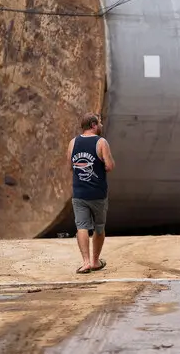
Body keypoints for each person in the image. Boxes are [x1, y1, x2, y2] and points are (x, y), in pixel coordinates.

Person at [67, 112, 115, 274]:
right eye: (99, 123)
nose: (101, 125)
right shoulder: (101, 142)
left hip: (79, 193)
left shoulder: (73, 143)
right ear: (93, 125)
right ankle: (95, 261)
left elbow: (70, 166)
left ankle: (85, 262)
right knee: (99, 228)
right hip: (98, 194)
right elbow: (109, 166)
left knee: (81, 227)